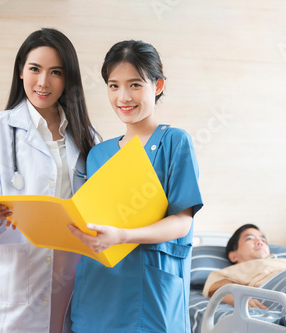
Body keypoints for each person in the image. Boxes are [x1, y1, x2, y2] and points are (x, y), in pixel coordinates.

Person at [0, 28, 99, 333]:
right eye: (35, 69)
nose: (43, 82)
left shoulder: (87, 138)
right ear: (21, 70)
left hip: (69, 280)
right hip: (12, 284)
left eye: (56, 72)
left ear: (68, 79)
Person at [67, 40, 203, 333]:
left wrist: (123, 236)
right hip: (97, 292)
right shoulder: (97, 154)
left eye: (135, 85)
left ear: (157, 86)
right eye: (113, 86)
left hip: (150, 293)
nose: (123, 97)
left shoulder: (174, 142)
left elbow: (181, 222)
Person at [202, 224, 286, 309]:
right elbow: (217, 289)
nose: (259, 242)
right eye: (250, 238)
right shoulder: (230, 272)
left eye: (263, 240)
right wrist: (238, 298)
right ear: (233, 256)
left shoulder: (284, 261)